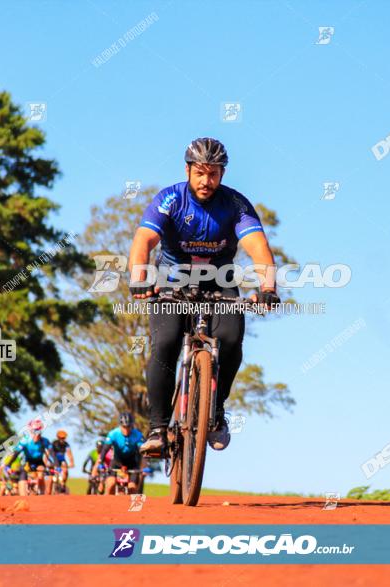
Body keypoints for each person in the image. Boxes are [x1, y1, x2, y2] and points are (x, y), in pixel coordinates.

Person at [129, 137, 280, 454]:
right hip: (171, 278)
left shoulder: (236, 205)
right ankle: (157, 428)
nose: (206, 181)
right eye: (200, 172)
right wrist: (139, 278)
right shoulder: (170, 199)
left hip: (218, 278)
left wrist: (268, 288)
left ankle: (216, 412)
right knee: (166, 342)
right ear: (188, 170)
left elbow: (258, 248)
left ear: (222, 174)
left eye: (213, 173)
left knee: (231, 337)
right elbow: (144, 240)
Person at [99, 412, 144, 494]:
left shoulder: (138, 435)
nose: (126, 430)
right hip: (116, 462)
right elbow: (105, 450)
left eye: (129, 427)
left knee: (132, 488)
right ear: (120, 425)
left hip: (132, 464)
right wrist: (100, 462)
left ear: (132, 425)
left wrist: (144, 466)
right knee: (111, 484)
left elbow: (143, 451)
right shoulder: (113, 434)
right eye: (124, 427)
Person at [9, 419, 56, 496]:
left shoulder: (44, 441)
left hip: (39, 462)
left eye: (39, 431)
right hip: (26, 461)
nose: (37, 434)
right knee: (23, 472)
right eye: (35, 431)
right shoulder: (25, 440)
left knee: (41, 473)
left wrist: (56, 465)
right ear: (31, 431)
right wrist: (9, 465)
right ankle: (23, 497)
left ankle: (41, 494)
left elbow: (52, 453)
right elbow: (16, 453)